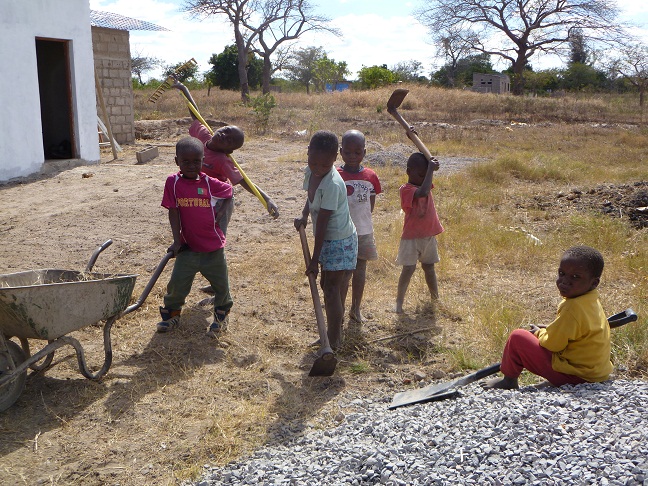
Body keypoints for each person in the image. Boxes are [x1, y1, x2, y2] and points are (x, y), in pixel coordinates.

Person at [483, 246, 612, 389]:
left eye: (575, 277)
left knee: (517, 337)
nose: (564, 281)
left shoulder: (572, 307)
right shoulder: (591, 300)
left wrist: (539, 333)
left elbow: (552, 344)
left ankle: (508, 381)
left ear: (594, 283)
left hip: (577, 376)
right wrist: (551, 329)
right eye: (562, 273)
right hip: (597, 374)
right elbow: (574, 332)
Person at [172, 78, 279, 235]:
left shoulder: (222, 161)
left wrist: (267, 199)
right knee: (196, 228)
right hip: (200, 194)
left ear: (230, 150)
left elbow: (244, 181)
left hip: (220, 200)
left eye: (230, 140)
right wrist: (184, 89)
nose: (224, 136)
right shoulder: (203, 135)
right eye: (226, 130)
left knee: (216, 233)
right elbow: (196, 115)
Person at [157, 136, 234, 338]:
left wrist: (222, 210)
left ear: (203, 161)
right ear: (177, 161)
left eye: (196, 161)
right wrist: (177, 241)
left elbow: (229, 191)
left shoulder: (209, 182)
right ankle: (171, 315)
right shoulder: (173, 182)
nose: (191, 166)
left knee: (221, 285)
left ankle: (221, 317)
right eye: (186, 162)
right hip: (188, 247)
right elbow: (173, 211)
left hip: (213, 247)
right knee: (177, 284)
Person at [294, 130, 358, 350]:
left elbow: (322, 223)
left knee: (331, 290)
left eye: (324, 165)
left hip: (339, 242)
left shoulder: (332, 184)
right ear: (308, 153)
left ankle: (333, 340)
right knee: (330, 287)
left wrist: (314, 260)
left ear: (334, 159)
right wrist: (304, 215)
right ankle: (332, 333)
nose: (318, 168)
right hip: (329, 239)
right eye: (313, 163)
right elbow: (312, 197)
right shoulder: (311, 172)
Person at [337, 129, 382, 323]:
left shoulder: (370, 176)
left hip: (364, 231)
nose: (352, 156)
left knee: (360, 269)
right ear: (341, 152)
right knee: (344, 273)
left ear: (364, 152)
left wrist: (362, 222)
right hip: (343, 232)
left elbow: (370, 205)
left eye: (357, 152)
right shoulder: (336, 175)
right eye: (347, 152)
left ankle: (356, 309)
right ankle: (339, 311)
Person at [395, 152, 444, 313]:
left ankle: (435, 299)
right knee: (408, 269)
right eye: (421, 175)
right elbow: (422, 192)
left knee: (429, 267)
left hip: (428, 236)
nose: (425, 179)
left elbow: (426, 186)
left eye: (426, 175)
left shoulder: (425, 183)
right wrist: (430, 170)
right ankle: (399, 302)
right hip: (411, 238)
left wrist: (431, 167)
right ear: (409, 172)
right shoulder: (406, 189)